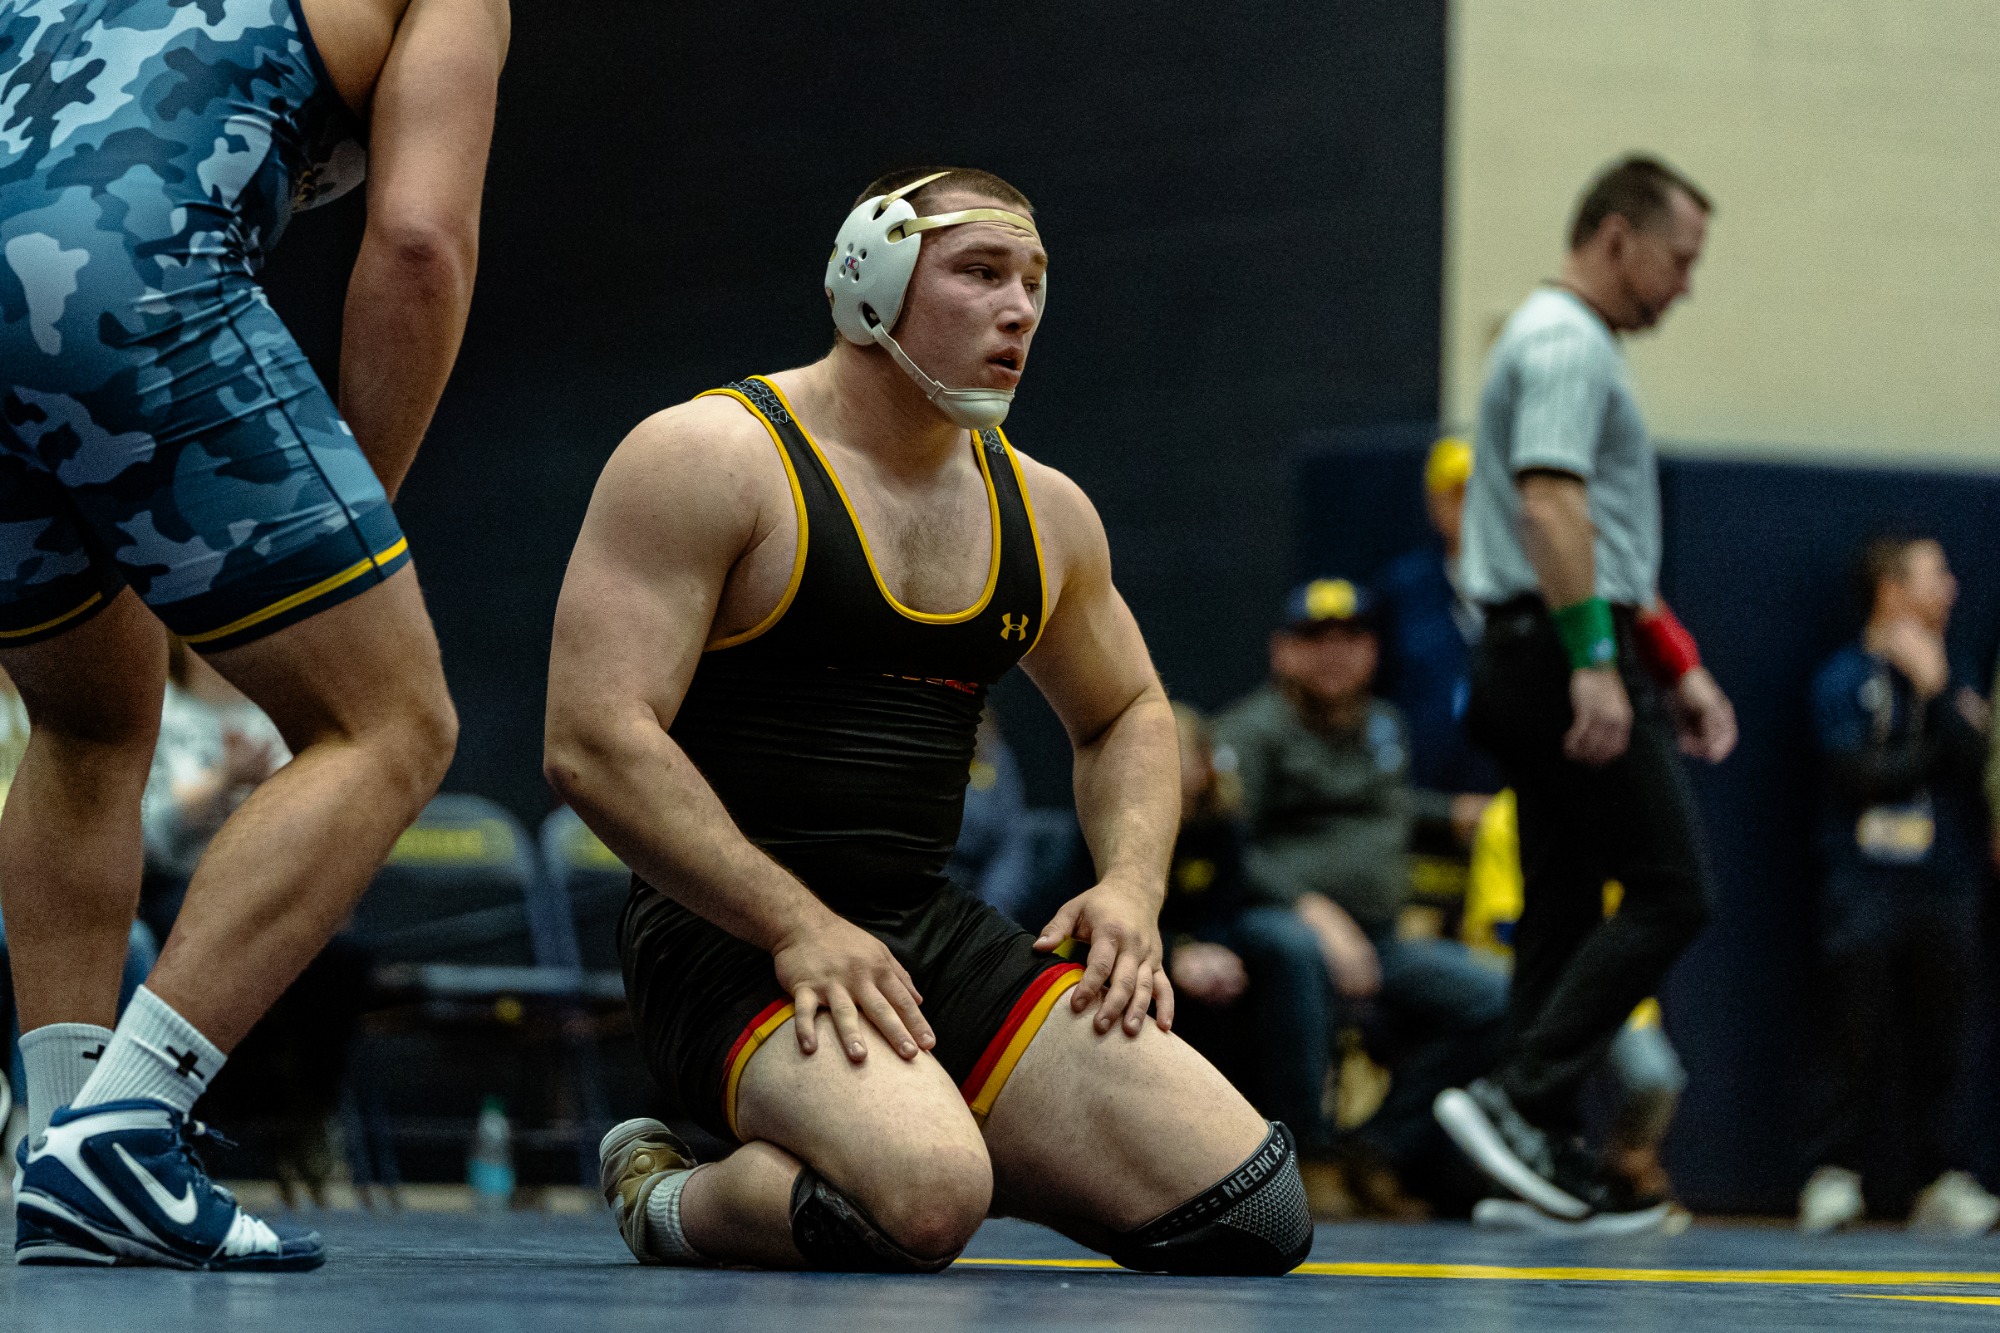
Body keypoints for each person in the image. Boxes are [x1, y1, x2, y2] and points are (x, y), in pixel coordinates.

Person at [545, 168, 1312, 1276]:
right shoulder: (711, 457)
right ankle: (672, 1191)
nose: (1019, 310)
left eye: (1036, 283)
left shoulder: (1041, 509)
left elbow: (1127, 711)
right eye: (981, 272)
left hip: (922, 931)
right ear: (871, 277)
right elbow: (592, 738)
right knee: (926, 1200)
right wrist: (794, 924)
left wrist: (1131, 886)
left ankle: (899, 1138)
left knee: (1252, 1212)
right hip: (725, 937)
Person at [0, 0, 506, 1269]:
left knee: (89, 719)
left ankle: (57, 1134)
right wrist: (352, 520)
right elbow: (416, 245)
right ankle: (124, 1129)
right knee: (389, 722)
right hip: (124, 265)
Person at [1435, 155, 1738, 1231]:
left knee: (1563, 905)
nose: (1683, 285)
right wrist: (1597, 664)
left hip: (1547, 644)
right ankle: (1512, 1099)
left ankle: (1537, 1153)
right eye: (1678, 258)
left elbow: (1600, 538)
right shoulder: (1564, 341)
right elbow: (1553, 510)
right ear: (1616, 236)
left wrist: (1675, 664)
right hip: (1556, 648)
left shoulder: (1566, 342)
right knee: (1672, 888)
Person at [1216, 578, 1507, 1210]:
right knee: (1295, 951)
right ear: (1282, 652)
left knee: (1499, 999)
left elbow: (1383, 808)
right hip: (1275, 923)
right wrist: (1313, 909)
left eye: (1351, 639)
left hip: (1379, 938)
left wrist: (1451, 814)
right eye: (1315, 640)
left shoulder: (1383, 725)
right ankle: (1307, 1157)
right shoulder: (1252, 730)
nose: (1334, 655)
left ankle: (1376, 1149)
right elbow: (1230, 844)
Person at [1797, 536, 1996, 1237]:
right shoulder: (1845, 676)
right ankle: (1832, 1171)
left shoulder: (1956, 673)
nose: (1949, 586)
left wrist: (1939, 692)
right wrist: (1938, 745)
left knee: (1944, 1032)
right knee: (1851, 1025)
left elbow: (1978, 764)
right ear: (1891, 588)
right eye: (1934, 573)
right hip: (1865, 878)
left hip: (1944, 879)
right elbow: (1857, 777)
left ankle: (1941, 1175)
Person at [1160, 702, 1340, 1174]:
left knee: (1283, 947)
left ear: (1206, 763)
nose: (1168, 766)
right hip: (1143, 954)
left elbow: (1225, 904)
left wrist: (1213, 948)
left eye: (1179, 753)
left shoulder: (1223, 827)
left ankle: (1304, 1148)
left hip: (1210, 949)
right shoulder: (1103, 825)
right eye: (1153, 753)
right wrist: (1174, 954)